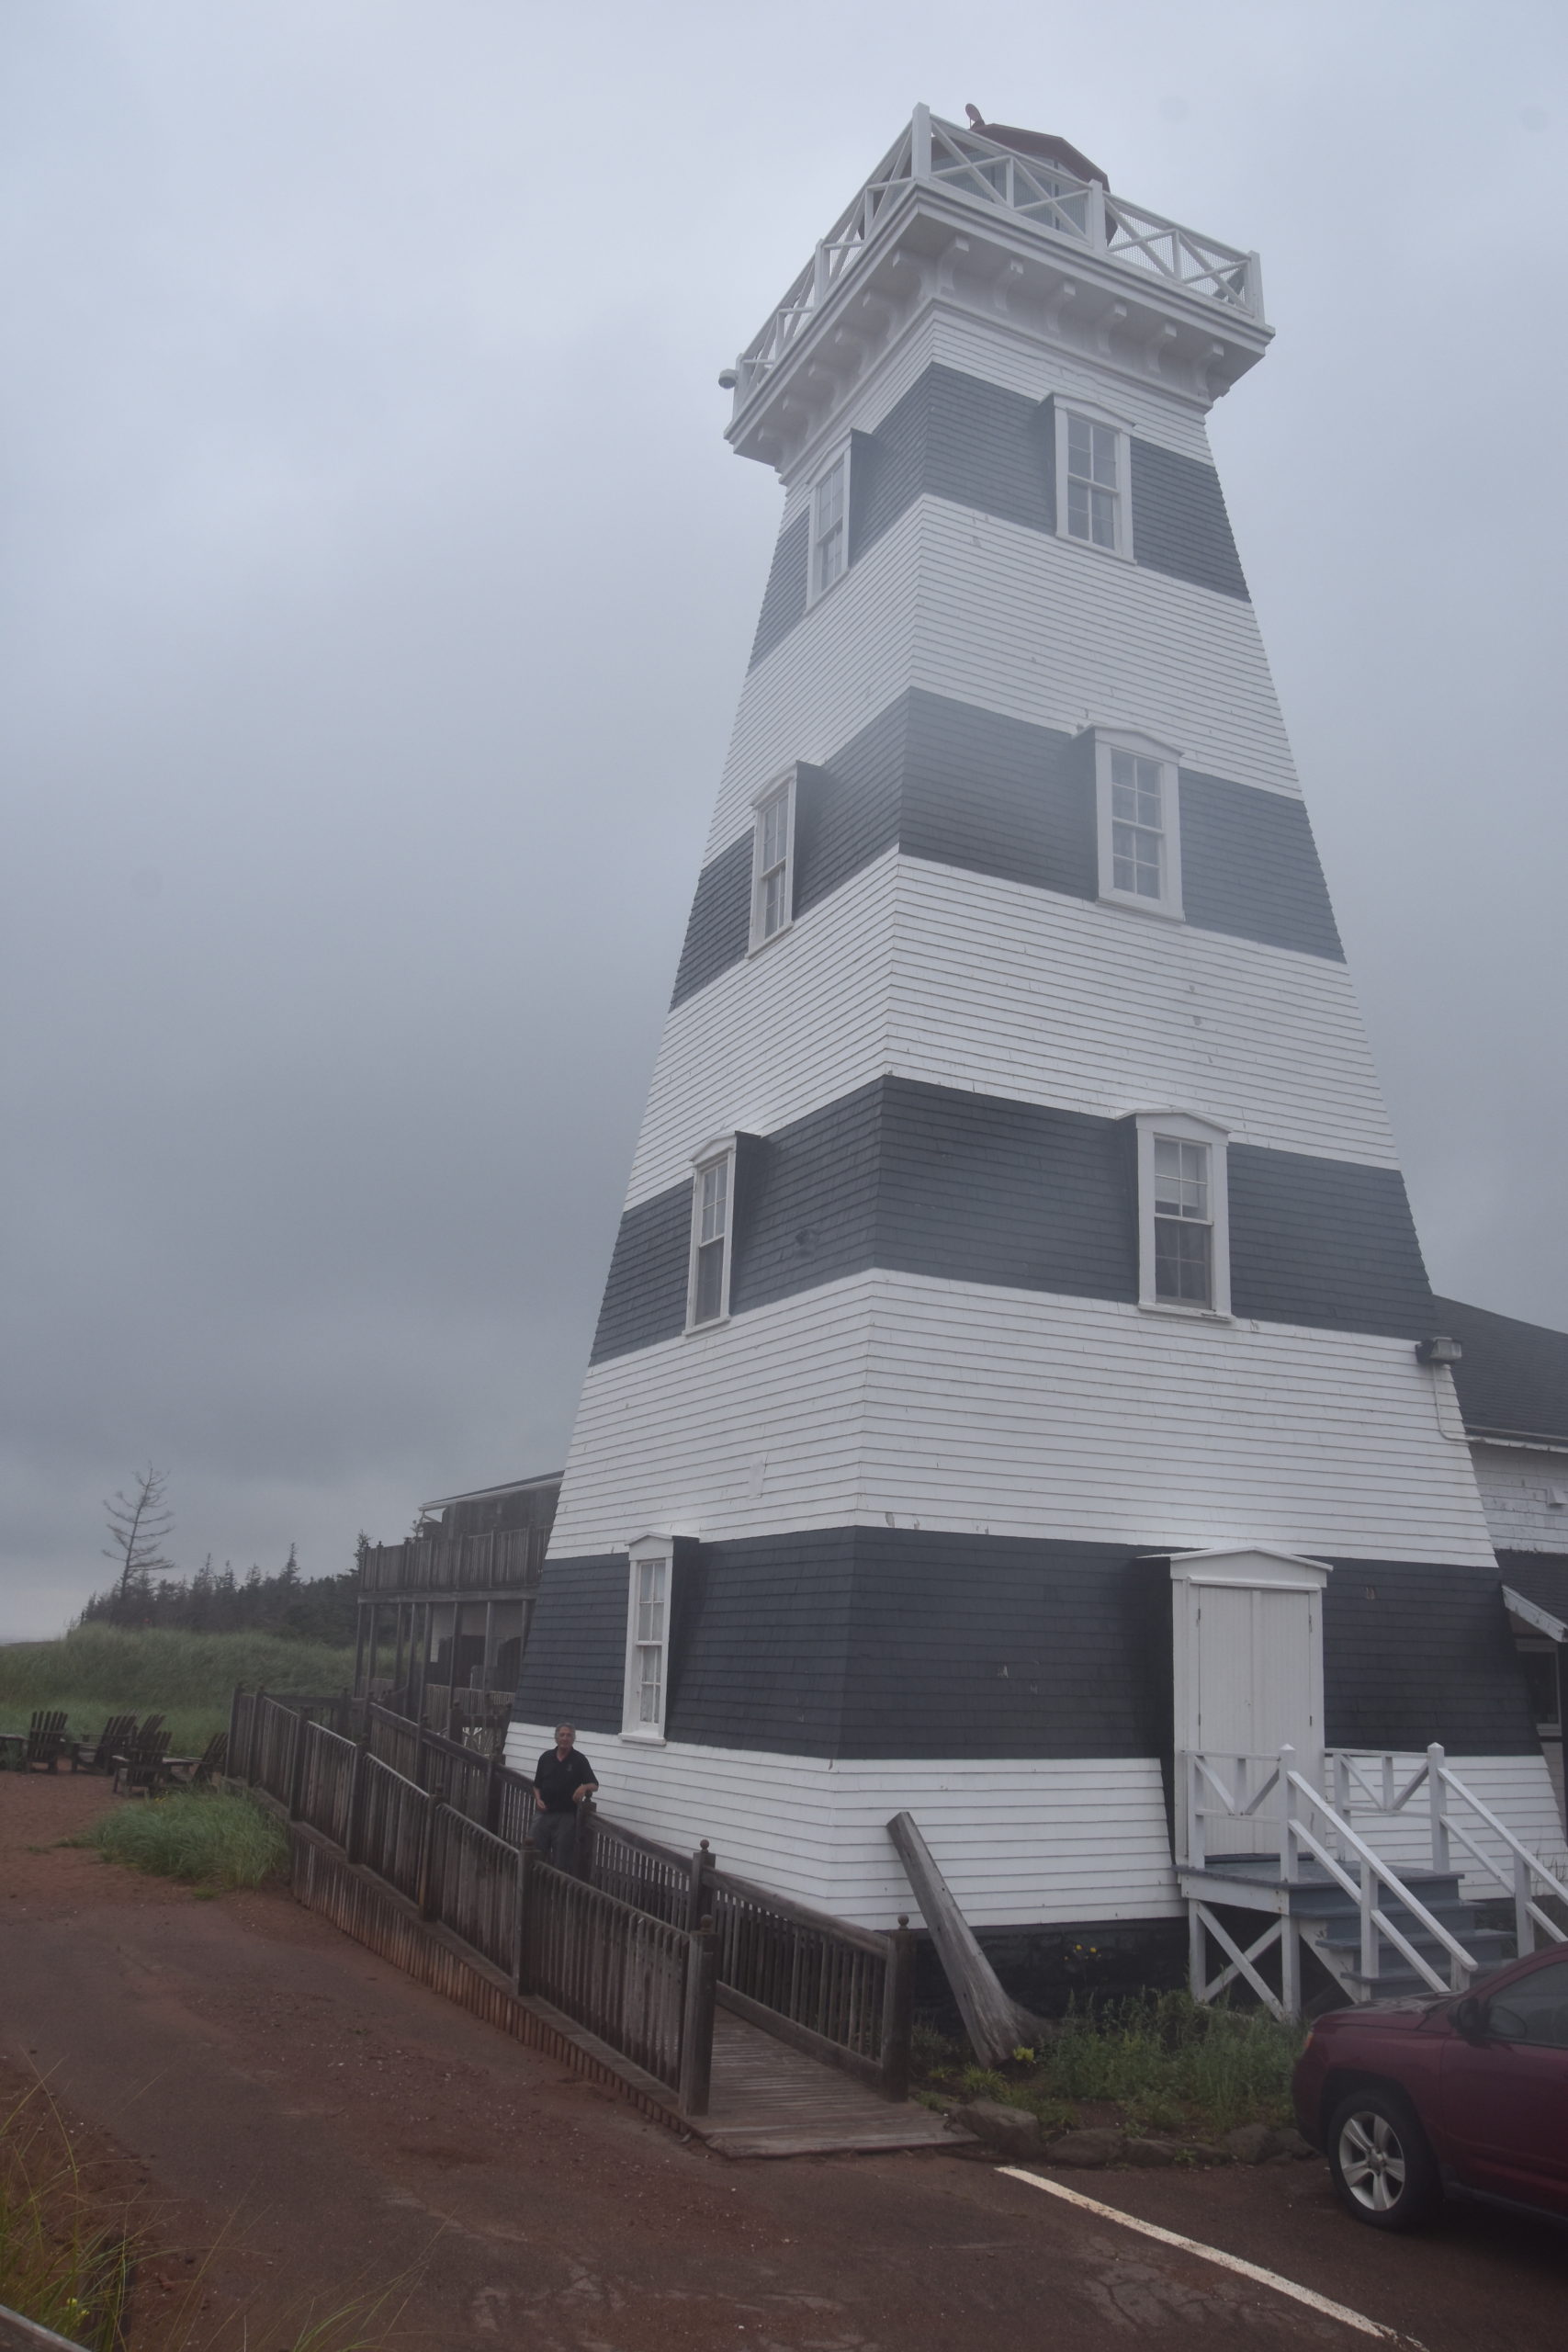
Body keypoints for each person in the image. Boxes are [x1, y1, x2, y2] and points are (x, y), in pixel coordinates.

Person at [531, 1724, 597, 1870]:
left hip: (566, 1816)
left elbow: (595, 1785)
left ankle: (556, 1890)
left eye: (568, 1735)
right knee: (536, 1853)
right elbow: (536, 1785)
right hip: (544, 1813)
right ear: (556, 1738)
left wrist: (584, 1787)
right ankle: (535, 1886)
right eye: (562, 1735)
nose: (565, 1738)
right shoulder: (545, 1758)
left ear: (573, 1739)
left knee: (562, 1859)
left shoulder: (579, 1760)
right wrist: (538, 1798)